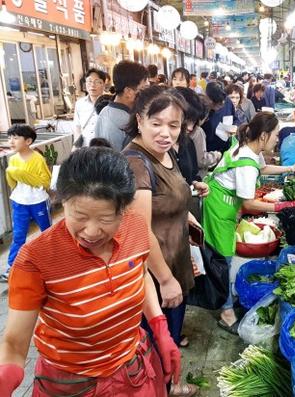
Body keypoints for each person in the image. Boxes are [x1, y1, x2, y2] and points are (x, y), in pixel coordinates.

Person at [0, 147, 181, 396]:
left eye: (106, 219)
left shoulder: (135, 227)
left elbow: (138, 275)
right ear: (63, 203)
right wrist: (7, 372)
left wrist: (159, 327)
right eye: (80, 216)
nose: (92, 231)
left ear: (123, 209)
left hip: (132, 371)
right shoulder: (36, 260)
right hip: (70, 384)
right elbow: (14, 343)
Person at [123, 86, 199, 396]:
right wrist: (166, 280)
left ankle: (170, 385)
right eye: (157, 123)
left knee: (169, 340)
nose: (165, 132)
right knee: (153, 347)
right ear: (139, 120)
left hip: (175, 261)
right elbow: (140, 229)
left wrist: (187, 214)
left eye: (174, 125)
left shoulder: (165, 153)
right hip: (154, 276)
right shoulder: (136, 164)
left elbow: (166, 197)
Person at [202, 112, 295, 334]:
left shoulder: (249, 149)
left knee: (224, 255)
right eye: (276, 135)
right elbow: (249, 204)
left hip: (225, 205)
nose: (278, 139)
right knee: (224, 259)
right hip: (219, 208)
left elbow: (263, 169)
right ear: (265, 135)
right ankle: (226, 313)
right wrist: (280, 207)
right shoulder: (247, 163)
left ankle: (226, 299)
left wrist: (289, 168)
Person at [1, 124, 51, 282]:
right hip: (19, 202)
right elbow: (12, 182)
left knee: (47, 232)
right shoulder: (13, 159)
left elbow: (45, 181)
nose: (11, 141)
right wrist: (17, 174)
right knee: (18, 235)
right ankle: (13, 266)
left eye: (16, 138)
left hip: (38, 202)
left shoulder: (38, 159)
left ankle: (51, 261)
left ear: (28, 141)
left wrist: (20, 173)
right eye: (10, 138)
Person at [95, 60, 148, 151]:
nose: (147, 94)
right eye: (144, 88)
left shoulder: (105, 111)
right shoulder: (128, 123)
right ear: (128, 92)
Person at [173, 88, 221, 179]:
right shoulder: (197, 132)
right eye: (187, 120)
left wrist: (194, 183)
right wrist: (216, 155)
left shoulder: (187, 142)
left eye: (194, 122)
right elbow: (201, 160)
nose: (190, 128)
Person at [73, 68, 106, 148]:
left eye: (97, 82)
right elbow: (77, 128)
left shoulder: (109, 103)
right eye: (89, 81)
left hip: (104, 150)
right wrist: (76, 148)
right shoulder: (79, 104)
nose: (92, 85)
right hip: (85, 149)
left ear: (103, 84)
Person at [202, 81, 236, 153]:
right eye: (217, 104)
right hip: (208, 150)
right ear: (208, 98)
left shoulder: (227, 102)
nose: (221, 106)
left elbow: (235, 118)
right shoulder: (202, 108)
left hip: (225, 146)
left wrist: (234, 128)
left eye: (222, 103)